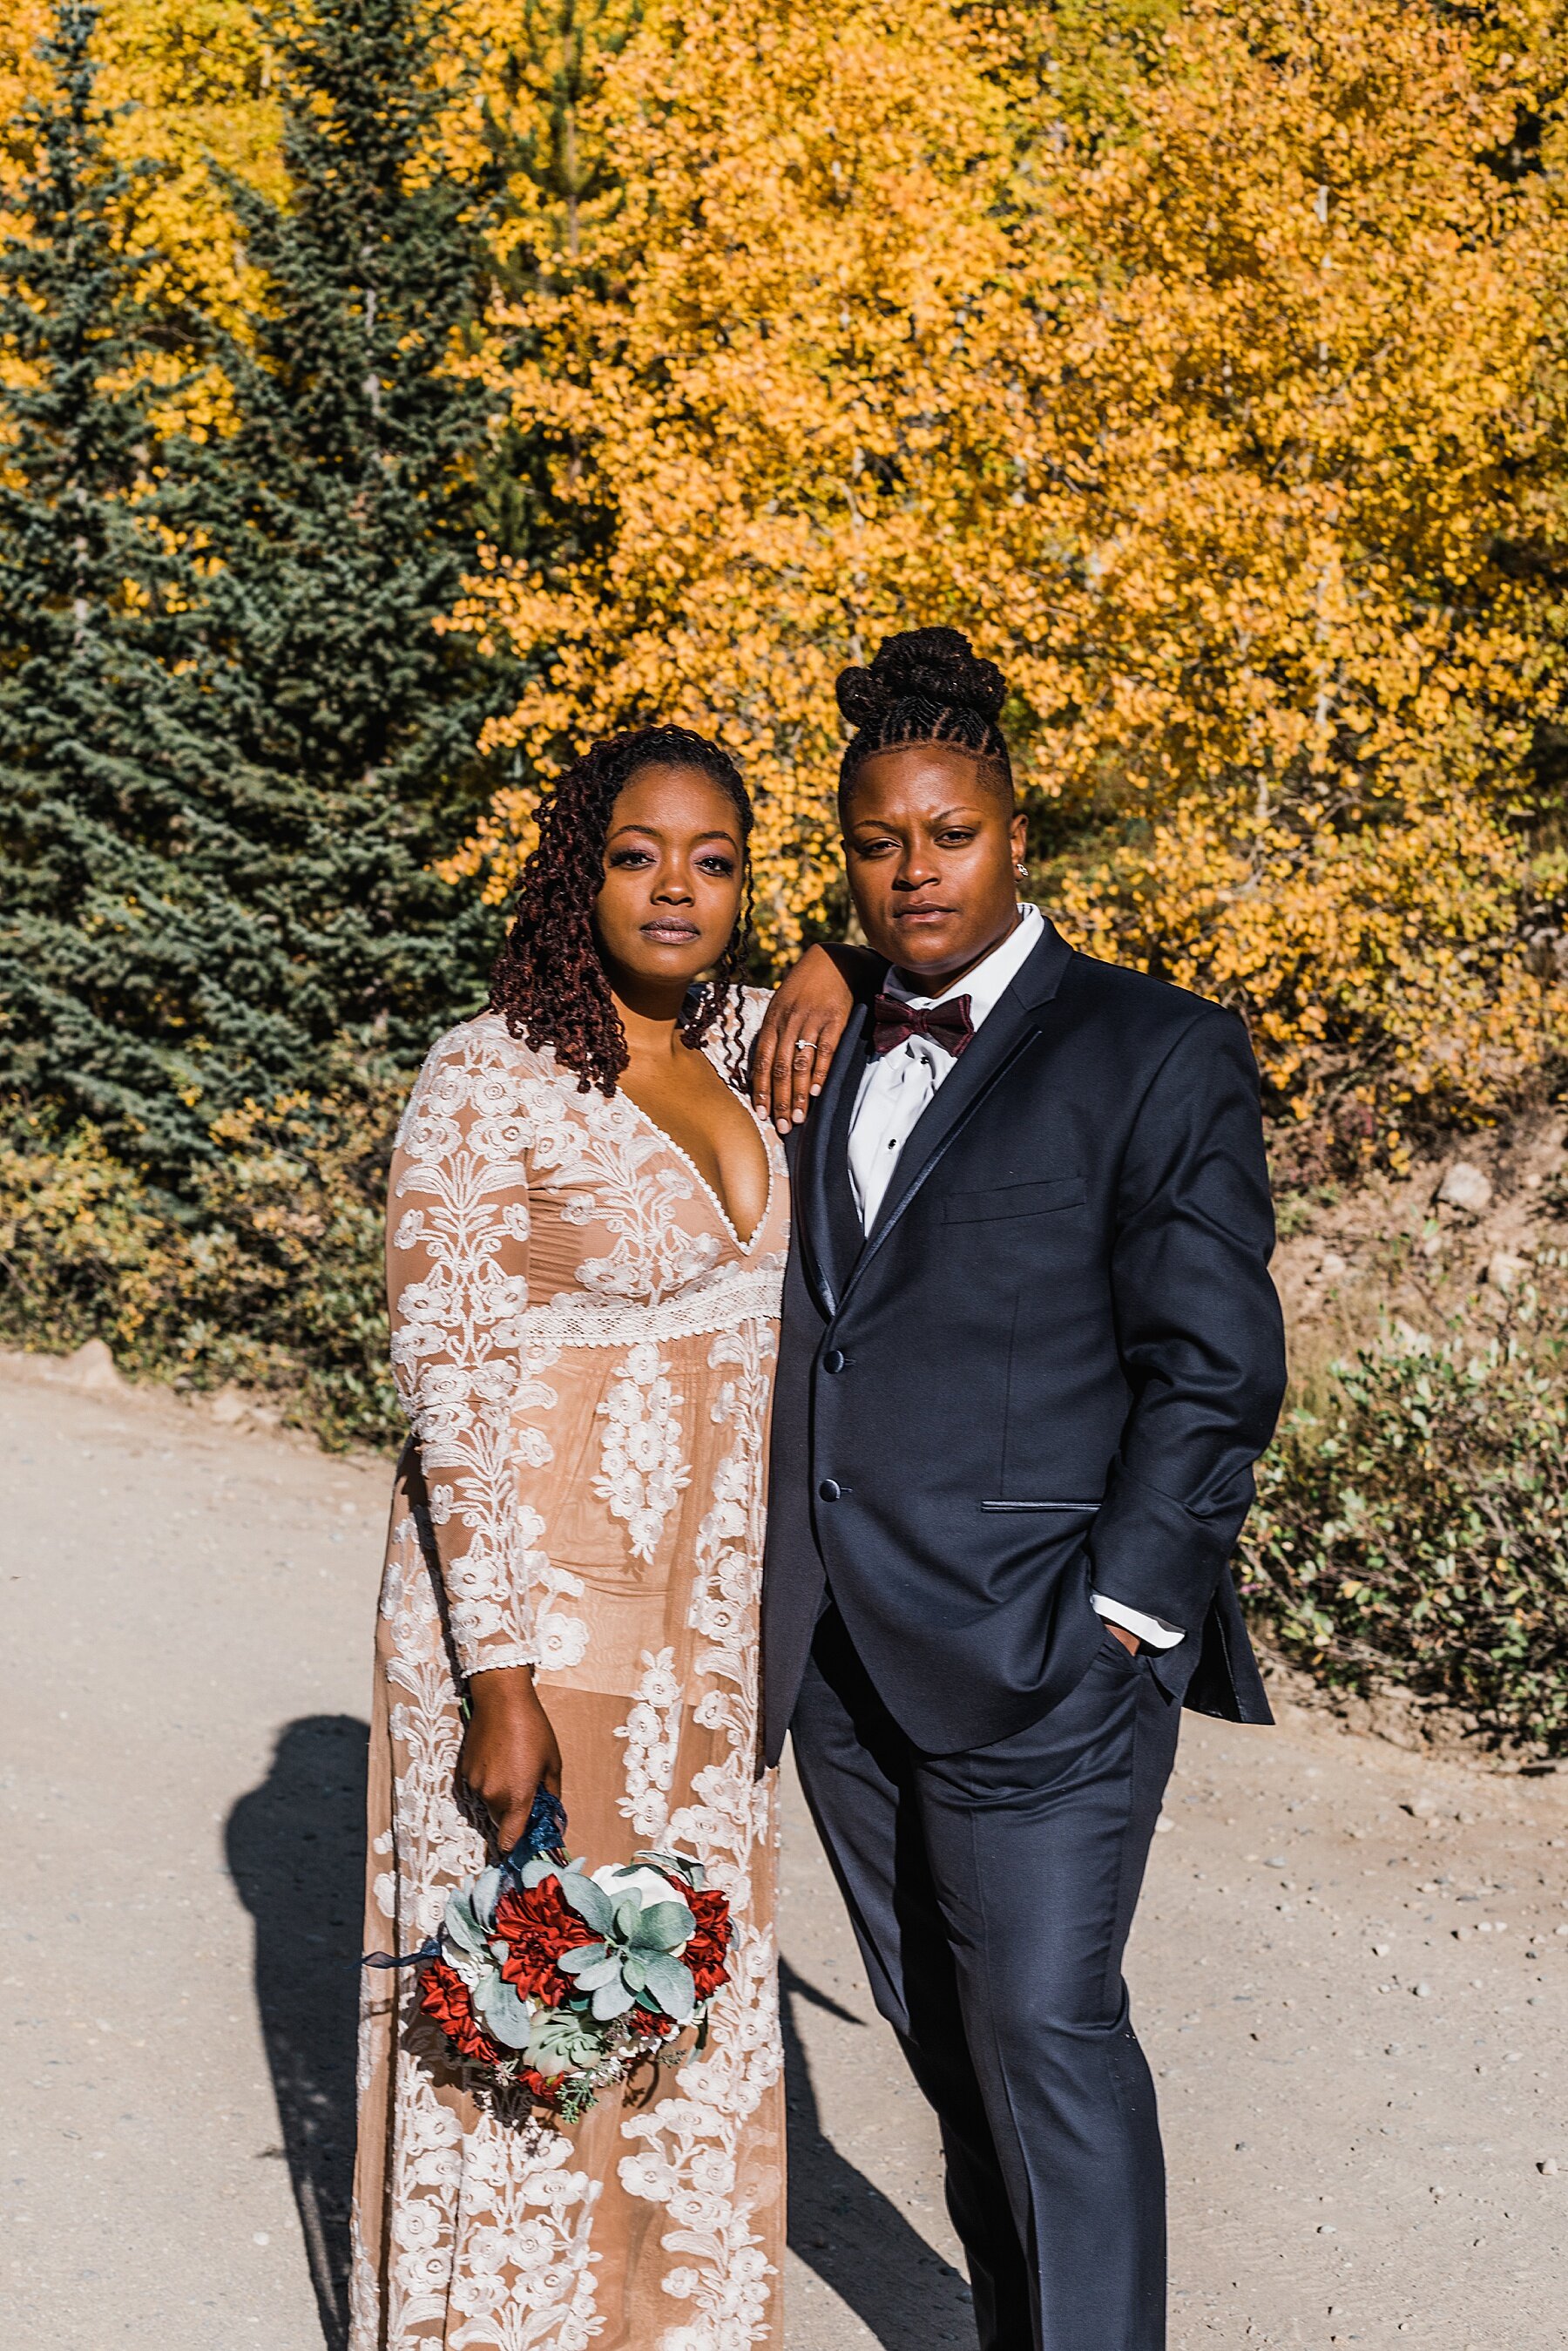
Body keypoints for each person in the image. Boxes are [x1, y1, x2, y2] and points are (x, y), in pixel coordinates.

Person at [754, 627, 1289, 2351]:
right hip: (845, 1661)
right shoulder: (816, 1032)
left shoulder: (1154, 1048)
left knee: (1049, 2041)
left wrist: (1126, 1611)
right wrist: (820, 958)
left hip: (1051, 1653)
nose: (917, 871)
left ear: (1018, 828)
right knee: (953, 2046)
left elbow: (1216, 1362)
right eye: (877, 843)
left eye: (952, 833)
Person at [350, 726, 800, 2351]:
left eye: (716, 857)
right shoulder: (488, 1070)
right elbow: (448, 1384)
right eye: (637, 853)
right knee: (535, 2006)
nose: (677, 886)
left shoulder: (761, 1042)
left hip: (710, 1632)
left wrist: (824, 960)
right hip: (537, 1626)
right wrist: (499, 1677)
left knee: (680, 2003)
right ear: (578, 869)